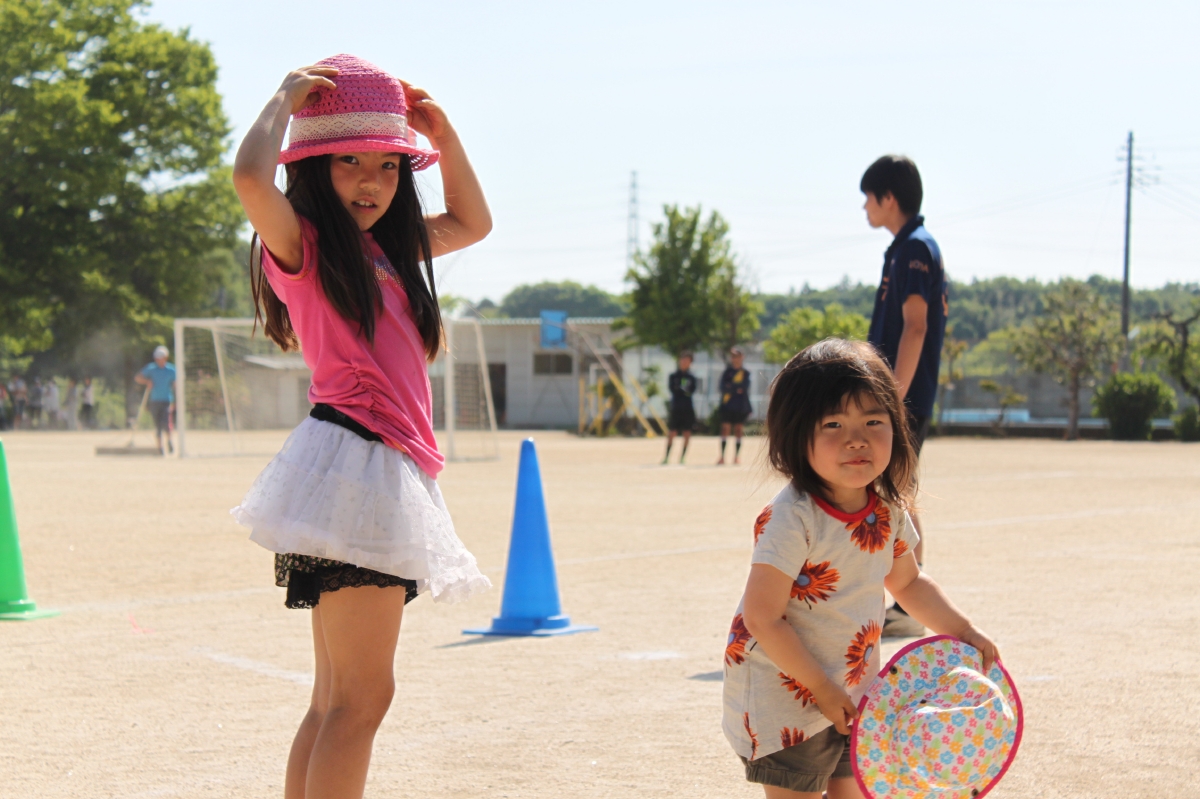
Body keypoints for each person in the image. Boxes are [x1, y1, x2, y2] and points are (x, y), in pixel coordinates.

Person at [229, 55, 493, 799]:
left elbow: (474, 223)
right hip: (362, 463)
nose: (372, 181)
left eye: (389, 164)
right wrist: (282, 100)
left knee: (335, 700)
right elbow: (250, 179)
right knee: (360, 699)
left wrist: (445, 138)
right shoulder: (306, 246)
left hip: (361, 467)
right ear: (313, 167)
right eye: (350, 161)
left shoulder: (389, 251)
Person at [722, 339, 998, 799]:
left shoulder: (887, 508)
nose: (857, 439)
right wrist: (820, 687)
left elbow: (908, 582)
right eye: (833, 424)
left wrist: (963, 631)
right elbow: (763, 617)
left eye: (873, 421)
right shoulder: (792, 517)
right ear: (796, 434)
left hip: (857, 692)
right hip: (785, 695)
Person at [861, 155, 947, 638]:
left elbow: (916, 327)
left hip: (903, 394)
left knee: (896, 490)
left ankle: (912, 603)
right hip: (897, 393)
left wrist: (892, 397)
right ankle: (907, 602)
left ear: (888, 198)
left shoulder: (915, 248)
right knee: (895, 489)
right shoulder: (904, 247)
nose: (864, 208)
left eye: (868, 198)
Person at [135, 346, 177, 455]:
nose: (159, 360)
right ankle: (160, 447)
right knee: (157, 425)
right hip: (154, 401)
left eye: (161, 357)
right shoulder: (151, 368)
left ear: (165, 357)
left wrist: (176, 399)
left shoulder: (171, 370)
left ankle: (169, 441)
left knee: (166, 423)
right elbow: (138, 378)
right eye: (157, 358)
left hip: (167, 400)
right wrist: (147, 381)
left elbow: (176, 384)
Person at [717, 347, 752, 465]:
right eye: (732, 356)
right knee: (725, 429)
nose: (734, 358)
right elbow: (722, 387)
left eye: (736, 356)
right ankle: (722, 457)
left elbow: (744, 387)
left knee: (738, 430)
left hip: (740, 406)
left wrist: (731, 387)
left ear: (742, 357)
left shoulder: (745, 373)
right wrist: (736, 388)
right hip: (727, 405)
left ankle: (736, 457)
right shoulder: (727, 372)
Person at [662, 351, 698, 464]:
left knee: (687, 432)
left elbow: (691, 390)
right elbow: (673, 389)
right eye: (683, 359)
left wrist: (682, 390)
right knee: (672, 432)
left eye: (687, 360)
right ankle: (667, 457)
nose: (684, 362)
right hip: (676, 407)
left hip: (688, 408)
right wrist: (682, 390)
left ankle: (682, 457)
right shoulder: (673, 376)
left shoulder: (692, 377)